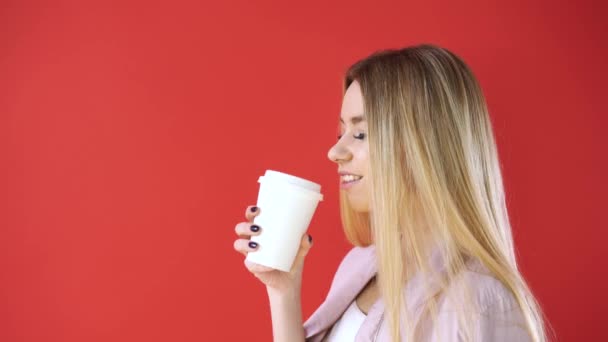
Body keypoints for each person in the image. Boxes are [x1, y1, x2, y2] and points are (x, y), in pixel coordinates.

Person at [233, 44, 548, 342]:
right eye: (340, 132)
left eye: (360, 133)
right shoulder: (359, 265)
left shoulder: (479, 302)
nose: (335, 151)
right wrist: (283, 290)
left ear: (423, 145)